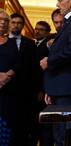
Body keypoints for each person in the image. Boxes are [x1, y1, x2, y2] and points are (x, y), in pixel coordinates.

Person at [40, 0, 71, 146]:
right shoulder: (68, 23)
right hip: (60, 89)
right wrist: (51, 89)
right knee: (60, 135)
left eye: (60, 0)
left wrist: (50, 60)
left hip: (67, 90)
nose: (57, 4)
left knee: (67, 137)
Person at [9, 13, 37, 145]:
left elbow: (34, 68)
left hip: (25, 91)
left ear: (23, 25)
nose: (16, 25)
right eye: (13, 22)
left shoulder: (30, 43)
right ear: (9, 23)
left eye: (19, 23)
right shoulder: (2, 41)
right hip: (6, 88)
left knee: (22, 124)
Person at [0, 9, 20, 145]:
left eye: (6, 20)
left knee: (6, 133)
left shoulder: (14, 43)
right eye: (0, 19)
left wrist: (7, 75)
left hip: (8, 93)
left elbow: (20, 63)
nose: (2, 23)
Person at [34, 21, 54, 146]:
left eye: (41, 29)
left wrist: (42, 90)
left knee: (44, 125)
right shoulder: (31, 44)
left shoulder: (48, 45)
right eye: (36, 29)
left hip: (43, 90)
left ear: (47, 32)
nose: (37, 31)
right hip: (31, 90)